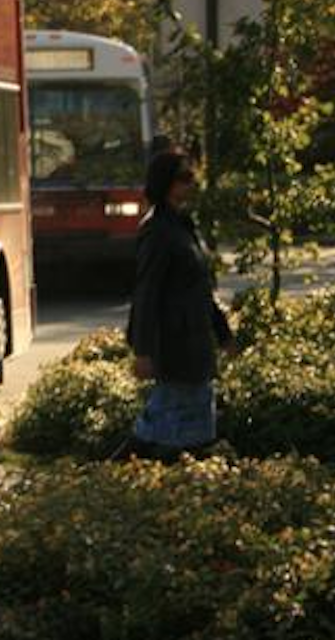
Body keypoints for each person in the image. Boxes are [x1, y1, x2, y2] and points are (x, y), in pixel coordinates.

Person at [125, 147, 235, 456]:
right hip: (174, 344)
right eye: (184, 178)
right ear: (166, 183)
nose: (191, 184)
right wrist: (143, 351)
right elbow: (147, 293)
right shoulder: (157, 231)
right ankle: (135, 469)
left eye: (192, 177)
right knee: (171, 424)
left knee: (191, 420)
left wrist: (223, 333)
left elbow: (200, 288)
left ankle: (170, 471)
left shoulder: (184, 227)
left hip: (195, 340)